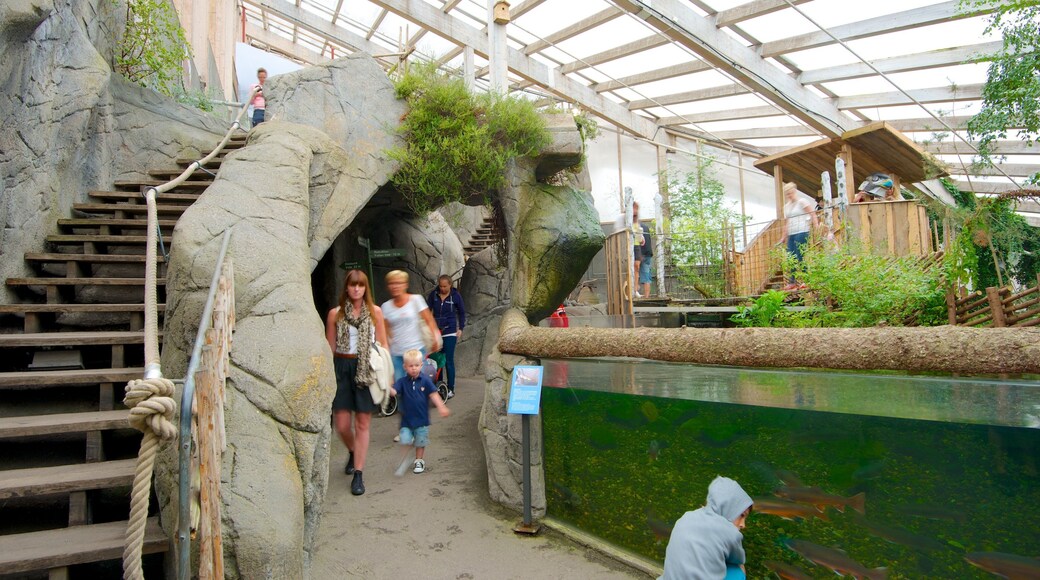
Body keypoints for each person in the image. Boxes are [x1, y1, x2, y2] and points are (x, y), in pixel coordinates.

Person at [324, 269, 388, 496]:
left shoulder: (375, 312)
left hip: (365, 368)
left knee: (362, 423)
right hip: (342, 366)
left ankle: (358, 474)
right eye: (352, 285)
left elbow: (382, 347)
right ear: (347, 287)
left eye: (360, 285)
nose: (356, 289)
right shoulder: (336, 314)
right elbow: (330, 348)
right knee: (341, 424)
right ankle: (353, 450)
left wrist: (388, 379)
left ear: (365, 288)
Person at [660, 476, 754, 580]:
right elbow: (738, 559)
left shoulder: (687, 516)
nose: (743, 524)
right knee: (738, 569)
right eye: (742, 515)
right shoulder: (730, 533)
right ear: (728, 507)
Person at [392, 349, 450, 475]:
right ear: (405, 367)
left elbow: (434, 394)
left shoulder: (425, 380)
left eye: (416, 365)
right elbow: (395, 390)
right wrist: (389, 390)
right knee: (405, 439)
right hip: (406, 420)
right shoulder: (402, 382)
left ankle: (419, 460)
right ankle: (405, 459)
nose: (414, 368)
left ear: (421, 365)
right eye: (411, 366)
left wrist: (441, 406)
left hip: (422, 419)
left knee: (420, 441)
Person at [382, 270, 440, 382]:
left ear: (405, 285)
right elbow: (385, 332)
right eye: (392, 283)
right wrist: (386, 353)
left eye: (399, 283)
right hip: (397, 354)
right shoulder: (386, 307)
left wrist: (435, 339)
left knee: (418, 387)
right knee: (400, 388)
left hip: (416, 351)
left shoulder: (416, 300)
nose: (395, 286)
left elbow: (429, 320)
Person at [426, 275, 465, 399]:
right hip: (436, 332)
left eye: (445, 286)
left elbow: (462, 312)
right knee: (437, 360)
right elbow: (427, 311)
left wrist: (461, 328)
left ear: (450, 285)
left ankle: (450, 388)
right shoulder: (434, 295)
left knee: (448, 360)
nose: (442, 288)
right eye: (440, 286)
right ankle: (439, 385)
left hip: (450, 331)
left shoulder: (456, 296)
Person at [778, 182, 819, 289]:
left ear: (794, 191)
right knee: (791, 256)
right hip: (791, 233)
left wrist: (816, 226)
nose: (789, 195)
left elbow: (812, 214)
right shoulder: (786, 207)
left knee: (800, 255)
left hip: (802, 230)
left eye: (790, 193)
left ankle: (806, 279)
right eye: (787, 194)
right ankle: (792, 281)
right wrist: (783, 236)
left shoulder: (802, 202)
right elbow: (786, 222)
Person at [639, 222, 653, 298]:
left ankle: (646, 296)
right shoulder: (645, 227)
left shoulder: (637, 227)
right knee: (647, 274)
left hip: (643, 254)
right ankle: (646, 295)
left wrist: (640, 254)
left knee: (645, 275)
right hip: (648, 253)